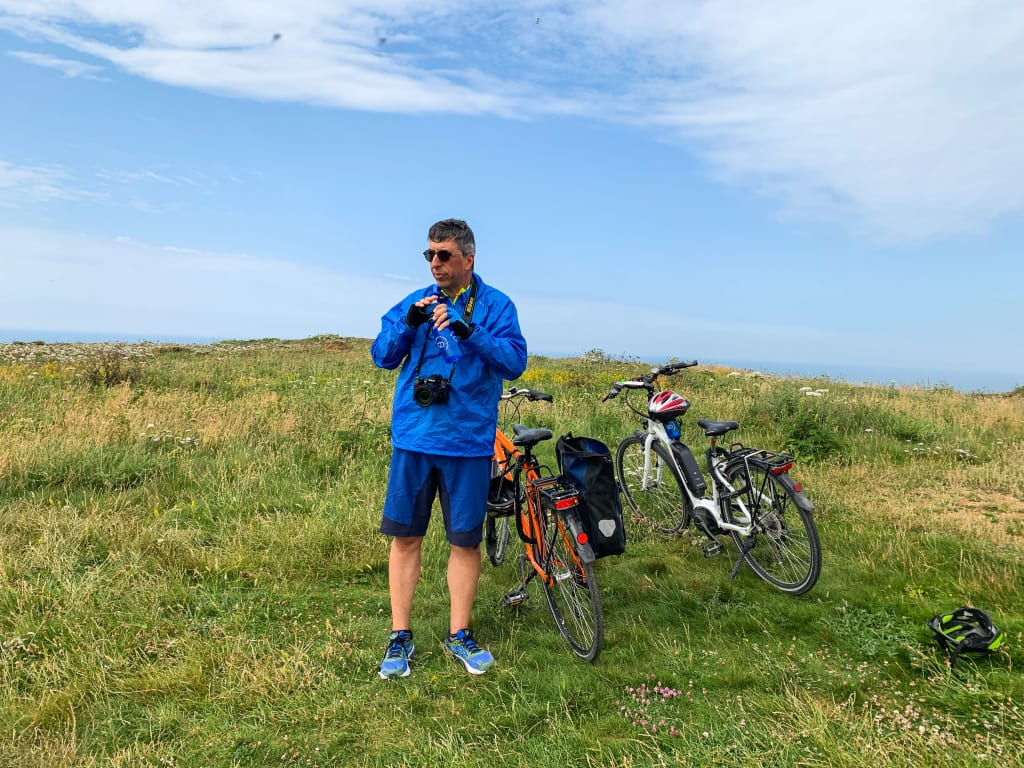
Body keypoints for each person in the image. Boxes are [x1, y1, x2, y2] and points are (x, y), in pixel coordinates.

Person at [371, 218, 527, 678]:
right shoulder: (415, 301)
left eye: (444, 255)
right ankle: (400, 636)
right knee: (405, 538)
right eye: (429, 254)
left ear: (468, 258)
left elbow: (514, 362)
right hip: (415, 439)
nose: (435, 263)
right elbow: (382, 356)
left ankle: (459, 633)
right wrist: (407, 325)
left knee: (465, 541)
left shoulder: (496, 306)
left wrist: (469, 330)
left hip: (468, 442)